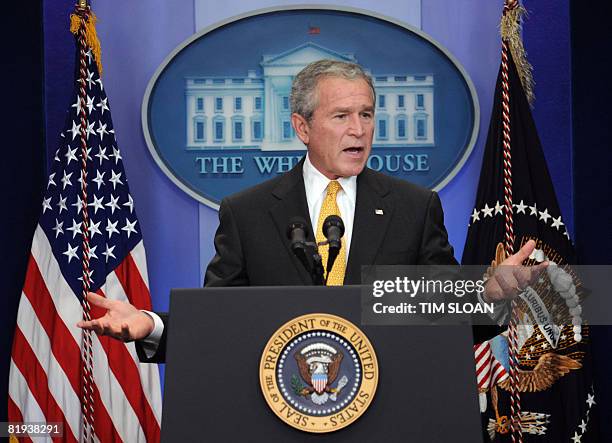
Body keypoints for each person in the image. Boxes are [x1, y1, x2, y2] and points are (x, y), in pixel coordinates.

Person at [78, 60, 543, 362]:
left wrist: (491, 297)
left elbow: (440, 321)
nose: (358, 129)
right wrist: (151, 325)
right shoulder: (248, 212)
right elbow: (221, 324)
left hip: (388, 415)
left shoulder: (414, 207)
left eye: (366, 114)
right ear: (302, 126)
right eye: (341, 116)